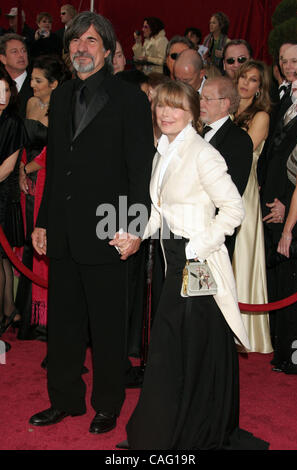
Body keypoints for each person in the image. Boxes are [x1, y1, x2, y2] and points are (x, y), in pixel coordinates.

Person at [118, 80, 269, 450]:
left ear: (191, 114)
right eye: (162, 107)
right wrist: (136, 235)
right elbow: (160, 210)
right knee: (181, 348)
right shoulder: (164, 150)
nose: (167, 114)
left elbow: (233, 209)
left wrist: (196, 246)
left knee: (178, 347)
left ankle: (184, 434)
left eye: (177, 108)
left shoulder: (203, 153)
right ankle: (170, 432)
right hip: (175, 263)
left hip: (196, 263)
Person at [28, 11, 154, 433]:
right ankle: (64, 400)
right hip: (63, 229)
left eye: (90, 41)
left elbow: (140, 170)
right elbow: (57, 164)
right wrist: (44, 222)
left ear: (107, 48)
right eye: (75, 42)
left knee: (106, 326)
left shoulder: (130, 99)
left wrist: (134, 227)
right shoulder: (61, 97)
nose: (81, 48)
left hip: (109, 228)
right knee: (63, 325)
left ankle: (107, 404)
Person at [16, 55, 71, 341]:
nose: (33, 85)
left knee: (45, 242)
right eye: (32, 79)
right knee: (28, 242)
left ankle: (48, 319)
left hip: (49, 180)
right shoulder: (31, 104)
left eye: (38, 81)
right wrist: (21, 172)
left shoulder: (64, 108)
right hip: (27, 177)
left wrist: (29, 169)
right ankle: (28, 314)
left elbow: (55, 153)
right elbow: (23, 140)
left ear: (54, 84)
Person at [261, 44, 297, 374]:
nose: (290, 67)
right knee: (278, 277)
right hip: (274, 203)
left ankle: (293, 352)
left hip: (292, 209)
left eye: (296, 62)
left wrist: (289, 209)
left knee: (292, 280)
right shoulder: (282, 99)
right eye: (285, 61)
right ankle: (281, 346)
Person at [232, 60, 273, 353]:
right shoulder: (226, 108)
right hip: (217, 186)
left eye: (253, 80)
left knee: (243, 254)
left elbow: (242, 150)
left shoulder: (260, 116)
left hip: (244, 189)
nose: (246, 83)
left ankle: (243, 331)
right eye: (243, 77)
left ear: (260, 88)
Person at [199, 76, 253, 260]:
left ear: (225, 104)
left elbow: (233, 191)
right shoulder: (195, 133)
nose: (201, 103)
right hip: (188, 228)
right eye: (201, 97)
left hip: (216, 235)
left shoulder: (239, 140)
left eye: (207, 99)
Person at [0, 66, 27, 339]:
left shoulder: (13, 123)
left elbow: (7, 168)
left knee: (1, 259)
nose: (3, 95)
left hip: (3, 196)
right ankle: (10, 311)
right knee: (3, 260)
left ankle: (5, 314)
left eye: (7, 90)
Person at [0, 33, 33, 118]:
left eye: (23, 51)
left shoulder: (36, 85)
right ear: (3, 59)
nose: (21, 55)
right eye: (14, 51)